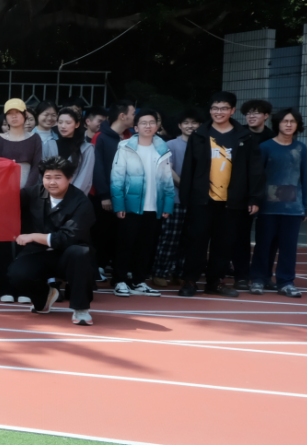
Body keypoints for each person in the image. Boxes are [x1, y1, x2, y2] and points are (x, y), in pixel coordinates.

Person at [177, 91, 265, 298]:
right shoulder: (199, 135)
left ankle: (215, 282)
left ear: (232, 110)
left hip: (232, 201)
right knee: (196, 241)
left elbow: (255, 170)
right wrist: (186, 197)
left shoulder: (245, 136)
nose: (219, 112)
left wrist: (254, 198)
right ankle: (190, 281)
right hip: (202, 199)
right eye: (215, 108)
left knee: (224, 244)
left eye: (224, 108)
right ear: (210, 110)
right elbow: (189, 168)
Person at [8, 156, 99, 325]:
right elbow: (5, 202)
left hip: (68, 254)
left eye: (58, 177)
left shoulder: (81, 202)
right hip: (38, 252)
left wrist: (33, 236)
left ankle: (81, 309)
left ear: (69, 178)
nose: (52, 182)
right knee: (17, 274)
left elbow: (67, 238)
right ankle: (45, 296)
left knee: (81, 254)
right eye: (47, 177)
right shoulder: (32, 193)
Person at [109, 108, 173, 297]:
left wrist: (167, 205)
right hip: (130, 205)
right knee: (125, 244)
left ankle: (138, 281)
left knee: (146, 246)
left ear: (157, 126)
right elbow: (117, 178)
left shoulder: (162, 148)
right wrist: (119, 205)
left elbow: (167, 179)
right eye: (143, 123)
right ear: (136, 127)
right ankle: (120, 280)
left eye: (151, 122)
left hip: (154, 206)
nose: (148, 126)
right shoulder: (125, 147)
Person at [252, 108, 307, 297]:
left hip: (293, 208)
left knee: (288, 248)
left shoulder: (301, 148)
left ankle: (286, 282)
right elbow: (257, 178)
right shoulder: (265, 147)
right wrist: (255, 201)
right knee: (263, 245)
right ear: (277, 124)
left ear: (297, 125)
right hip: (267, 207)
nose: (288, 124)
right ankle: (259, 278)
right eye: (285, 121)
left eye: (292, 121)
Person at [0, 99, 44, 303]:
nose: (14, 117)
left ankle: (24, 288)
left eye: (18, 113)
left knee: (26, 241)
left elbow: (37, 166)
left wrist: (25, 191)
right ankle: (4, 288)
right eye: (10, 113)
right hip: (3, 196)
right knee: (4, 242)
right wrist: (8, 192)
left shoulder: (34, 139)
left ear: (25, 115)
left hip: (28, 196)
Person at [152, 108, 201, 285]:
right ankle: (160, 272)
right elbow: (167, 169)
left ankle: (180, 272)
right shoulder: (171, 144)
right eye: (186, 123)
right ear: (179, 125)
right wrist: (186, 187)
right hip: (175, 199)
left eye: (194, 123)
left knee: (189, 239)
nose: (190, 126)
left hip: (196, 201)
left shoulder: (204, 145)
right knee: (169, 238)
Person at [231, 97, 274, 289]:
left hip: (270, 194)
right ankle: (241, 275)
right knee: (240, 236)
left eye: (256, 112)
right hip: (242, 194)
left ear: (266, 116)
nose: (251, 116)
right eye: (248, 113)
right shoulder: (238, 135)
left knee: (268, 238)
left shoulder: (273, 137)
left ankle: (263, 275)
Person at [91, 99, 135, 279]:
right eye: (133, 114)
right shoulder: (100, 137)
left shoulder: (131, 137)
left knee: (121, 233)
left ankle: (117, 268)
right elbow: (97, 167)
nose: (135, 117)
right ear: (122, 116)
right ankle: (98, 265)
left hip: (126, 196)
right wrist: (104, 195)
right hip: (104, 196)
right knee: (102, 232)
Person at [55, 107, 95, 194]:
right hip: (50, 196)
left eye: (68, 123)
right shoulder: (49, 145)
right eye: (60, 122)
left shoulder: (87, 149)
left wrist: (70, 197)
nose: (63, 126)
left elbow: (84, 177)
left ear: (77, 124)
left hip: (75, 197)